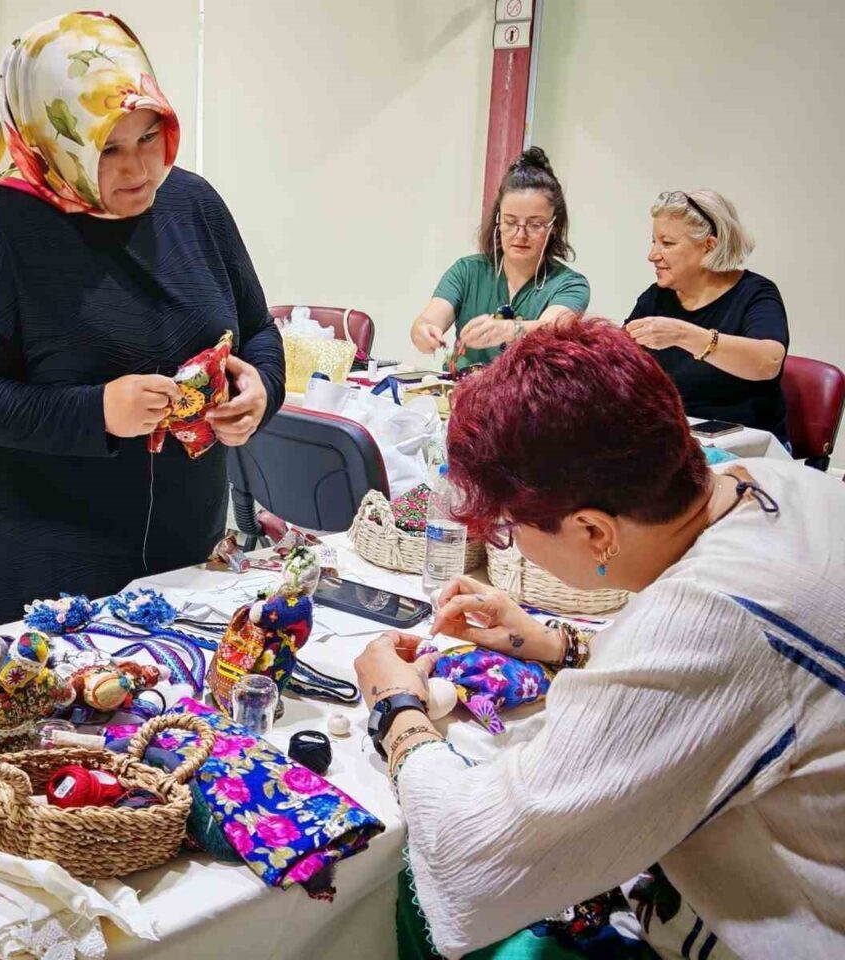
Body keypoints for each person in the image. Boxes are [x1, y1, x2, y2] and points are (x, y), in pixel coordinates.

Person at [354, 321, 844, 959]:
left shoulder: (711, 619)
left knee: (408, 900)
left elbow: (473, 853)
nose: (510, 542)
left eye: (510, 530)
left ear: (593, 532)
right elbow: (728, 690)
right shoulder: (780, 482)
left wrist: (396, 709)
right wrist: (557, 645)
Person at [0, 12, 285, 626]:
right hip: (50, 557)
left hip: (187, 546)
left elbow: (256, 328)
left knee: (182, 712)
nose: (139, 169)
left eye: (150, 137)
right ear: (50, 139)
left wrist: (261, 391)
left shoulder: (192, 203)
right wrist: (96, 413)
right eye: (108, 149)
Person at [626, 190, 789, 442]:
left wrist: (683, 334)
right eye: (653, 241)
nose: (652, 255)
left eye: (667, 243)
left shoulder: (755, 293)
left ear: (708, 247)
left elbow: (768, 362)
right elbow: (622, 359)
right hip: (671, 438)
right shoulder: (657, 296)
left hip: (746, 444)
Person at [410, 148, 590, 370]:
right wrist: (423, 331)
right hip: (460, 394)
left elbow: (553, 328)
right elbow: (428, 320)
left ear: (554, 227)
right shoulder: (467, 271)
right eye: (510, 222)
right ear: (498, 221)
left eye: (535, 224)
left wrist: (510, 330)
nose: (520, 234)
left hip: (527, 401)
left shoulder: (570, 284)